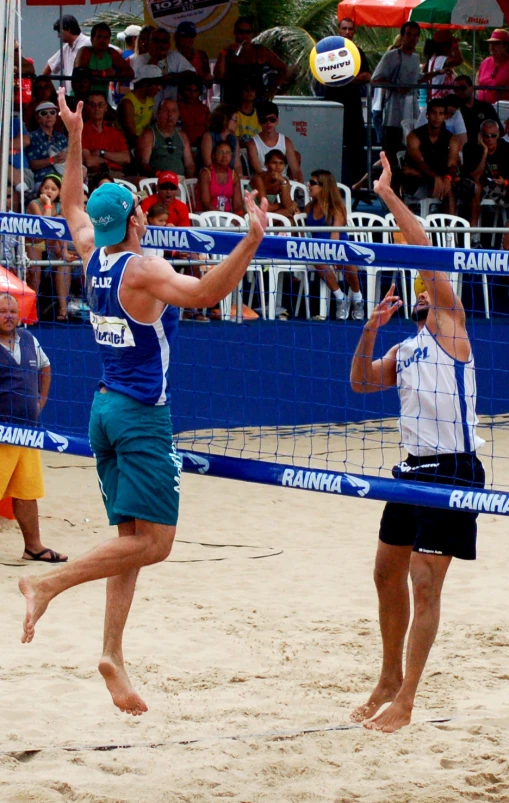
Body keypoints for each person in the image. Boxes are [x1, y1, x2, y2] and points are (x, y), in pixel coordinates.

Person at [18, 88, 269, 720]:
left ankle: (112, 653)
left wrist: (76, 136)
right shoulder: (140, 267)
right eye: (139, 211)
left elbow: (72, 200)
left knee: (130, 536)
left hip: (104, 409)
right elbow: (207, 290)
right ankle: (46, 582)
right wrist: (250, 242)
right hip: (138, 416)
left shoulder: (92, 251)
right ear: (133, 220)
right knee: (155, 544)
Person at [349, 151, 485, 733]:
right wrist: (369, 331)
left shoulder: (452, 327)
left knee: (425, 582)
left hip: (456, 468)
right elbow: (360, 383)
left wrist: (385, 194)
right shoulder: (404, 350)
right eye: (424, 287)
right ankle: (385, 677)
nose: (426, 288)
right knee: (385, 573)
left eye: (430, 282)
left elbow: (425, 245)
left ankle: (406, 697)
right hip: (412, 469)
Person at [0, 294, 66, 564]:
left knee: (27, 492)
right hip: (2, 432)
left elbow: (45, 365)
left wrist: (42, 400)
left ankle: (33, 547)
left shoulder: (29, 339)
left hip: (29, 432)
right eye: (3, 311)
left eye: (13, 311)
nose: (9, 316)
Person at [305, 169, 364, 321]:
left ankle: (357, 299)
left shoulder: (337, 208)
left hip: (338, 246)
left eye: (312, 183)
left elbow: (335, 237)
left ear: (324, 186)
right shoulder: (309, 207)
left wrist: (333, 255)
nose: (308, 185)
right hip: (318, 249)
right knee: (317, 260)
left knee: (346, 261)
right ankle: (340, 298)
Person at [324, 17, 371, 188]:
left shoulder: (358, 52)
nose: (347, 32)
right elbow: (325, 77)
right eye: (344, 28)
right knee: (330, 144)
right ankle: (328, 184)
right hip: (333, 106)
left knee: (356, 147)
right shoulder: (328, 52)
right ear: (338, 30)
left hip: (353, 107)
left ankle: (358, 185)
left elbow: (367, 76)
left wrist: (345, 80)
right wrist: (348, 79)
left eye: (351, 29)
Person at [372, 22, 422, 172]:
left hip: (412, 112)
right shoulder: (392, 56)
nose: (412, 38)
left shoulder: (415, 58)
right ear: (402, 36)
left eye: (415, 35)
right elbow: (375, 79)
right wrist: (396, 87)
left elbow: (416, 80)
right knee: (390, 155)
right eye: (409, 34)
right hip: (393, 113)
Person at [402, 98, 459, 213]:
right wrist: (435, 177)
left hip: (442, 180)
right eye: (433, 113)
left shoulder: (452, 138)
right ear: (427, 115)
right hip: (418, 182)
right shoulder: (414, 136)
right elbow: (419, 162)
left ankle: (451, 228)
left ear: (445, 116)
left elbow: (452, 164)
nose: (437, 117)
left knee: (456, 187)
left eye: (440, 113)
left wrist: (447, 178)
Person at [214, 16, 288, 104]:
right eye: (241, 32)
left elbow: (283, 68)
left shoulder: (260, 51)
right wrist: (224, 52)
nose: (244, 36)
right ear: (235, 32)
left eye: (248, 32)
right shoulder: (228, 53)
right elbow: (219, 75)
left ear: (252, 34)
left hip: (256, 101)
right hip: (232, 100)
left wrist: (274, 89)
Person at [461, 119, 509, 247]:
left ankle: (505, 243)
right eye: (486, 135)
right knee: (476, 187)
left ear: (498, 134)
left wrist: (505, 181)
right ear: (480, 136)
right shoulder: (471, 148)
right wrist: (485, 153)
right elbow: (475, 177)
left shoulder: (506, 149)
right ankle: (474, 235)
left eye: (493, 136)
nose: (489, 139)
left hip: (501, 187)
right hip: (477, 188)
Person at [25, 174, 64, 309]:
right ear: (41, 189)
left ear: (59, 192)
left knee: (59, 218)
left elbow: (62, 230)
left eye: (53, 189)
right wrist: (47, 205)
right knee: (35, 276)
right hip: (34, 242)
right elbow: (44, 227)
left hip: (51, 242)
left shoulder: (60, 206)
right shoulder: (34, 204)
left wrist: (63, 250)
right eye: (46, 187)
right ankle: (31, 310)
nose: (49, 191)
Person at [132, 27, 195, 106]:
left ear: (169, 44)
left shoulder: (175, 56)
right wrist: (155, 58)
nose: (160, 44)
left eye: (164, 41)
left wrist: (173, 76)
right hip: (147, 107)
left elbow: (192, 73)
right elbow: (138, 81)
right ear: (150, 42)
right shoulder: (141, 59)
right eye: (156, 41)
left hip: (169, 108)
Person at [247, 101, 304, 183]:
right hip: (264, 183)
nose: (268, 123)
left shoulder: (286, 142)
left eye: (272, 119)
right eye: (264, 120)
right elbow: (259, 172)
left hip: (284, 183)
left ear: (277, 120)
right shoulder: (252, 144)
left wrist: (302, 187)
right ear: (259, 121)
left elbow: (296, 170)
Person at [137, 98, 195, 178]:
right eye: (166, 111)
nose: (170, 115)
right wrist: (160, 175)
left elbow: (189, 165)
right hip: (157, 180)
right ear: (158, 113)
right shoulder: (149, 134)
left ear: (178, 114)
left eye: (174, 111)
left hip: (179, 180)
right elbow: (143, 164)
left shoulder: (182, 136)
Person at [75, 23, 134, 95]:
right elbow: (80, 75)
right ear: (92, 39)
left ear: (109, 40)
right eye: (99, 37)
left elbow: (130, 72)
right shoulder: (85, 52)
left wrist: (115, 74)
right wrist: (104, 73)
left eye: (106, 38)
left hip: (102, 100)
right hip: (82, 99)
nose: (102, 40)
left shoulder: (111, 53)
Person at [82, 92, 131, 178]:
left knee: (141, 181)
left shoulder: (115, 133)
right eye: (92, 105)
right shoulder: (81, 131)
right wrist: (112, 159)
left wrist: (102, 153)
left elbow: (126, 158)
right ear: (87, 107)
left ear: (106, 107)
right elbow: (89, 162)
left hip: (118, 175)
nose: (96, 108)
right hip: (95, 176)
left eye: (100, 105)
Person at [116, 65, 163, 150]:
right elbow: (131, 137)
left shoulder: (150, 100)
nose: (160, 88)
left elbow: (151, 125)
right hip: (126, 146)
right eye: (157, 84)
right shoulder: (128, 103)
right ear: (146, 84)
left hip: (144, 143)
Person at [43, 15, 91, 94]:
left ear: (68, 29)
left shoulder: (88, 42)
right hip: (71, 96)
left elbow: (117, 50)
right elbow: (49, 66)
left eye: (59, 31)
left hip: (89, 96)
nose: (58, 36)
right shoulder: (65, 49)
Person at [27, 102, 68, 187]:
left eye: (52, 112)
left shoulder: (61, 137)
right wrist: (52, 160)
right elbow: (33, 164)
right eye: (44, 113)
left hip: (65, 177)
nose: (49, 116)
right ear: (38, 118)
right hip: (43, 181)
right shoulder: (33, 137)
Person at [198, 141, 244, 216]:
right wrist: (225, 216)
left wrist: (238, 216)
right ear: (213, 155)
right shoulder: (206, 173)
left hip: (228, 215)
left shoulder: (233, 175)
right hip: (207, 215)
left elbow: (238, 204)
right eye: (220, 152)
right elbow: (206, 204)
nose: (225, 155)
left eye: (228, 152)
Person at [250, 149, 298, 219]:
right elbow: (266, 207)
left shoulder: (283, 181)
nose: (278, 167)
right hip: (253, 213)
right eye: (274, 163)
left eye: (281, 163)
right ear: (266, 165)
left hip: (269, 213)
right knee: (287, 213)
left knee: (289, 217)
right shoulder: (258, 179)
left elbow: (287, 205)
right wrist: (284, 205)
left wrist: (283, 182)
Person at [453, 74, 502, 143]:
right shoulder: (454, 110)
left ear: (472, 88)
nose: (460, 91)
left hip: (485, 145)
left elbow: (500, 131)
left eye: (463, 88)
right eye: (456, 89)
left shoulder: (486, 107)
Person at [421, 30, 463, 100]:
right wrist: (456, 46)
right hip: (442, 102)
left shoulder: (434, 59)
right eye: (451, 44)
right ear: (446, 46)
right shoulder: (441, 59)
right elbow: (459, 60)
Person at [201, 104, 242, 174]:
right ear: (225, 119)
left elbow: (237, 165)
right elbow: (208, 163)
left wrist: (240, 176)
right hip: (210, 176)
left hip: (230, 177)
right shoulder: (209, 136)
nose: (237, 124)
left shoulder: (234, 139)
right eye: (235, 120)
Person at [175, 21, 213, 86]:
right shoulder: (173, 56)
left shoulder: (201, 55)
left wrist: (208, 78)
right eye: (186, 36)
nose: (189, 39)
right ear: (179, 37)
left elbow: (209, 84)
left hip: (197, 94)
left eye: (192, 36)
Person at [477, 29, 509, 104]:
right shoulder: (485, 62)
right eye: (490, 43)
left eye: (496, 43)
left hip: (503, 111)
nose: (491, 46)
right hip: (483, 109)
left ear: (505, 46)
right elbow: (478, 81)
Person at [178, 77, 210, 148]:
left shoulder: (204, 109)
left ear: (199, 92)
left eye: (196, 91)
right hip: (181, 146)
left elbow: (209, 130)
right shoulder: (177, 108)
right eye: (189, 90)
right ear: (183, 91)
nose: (192, 94)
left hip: (201, 147)